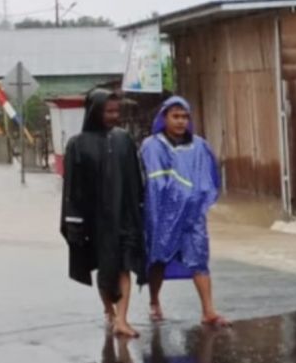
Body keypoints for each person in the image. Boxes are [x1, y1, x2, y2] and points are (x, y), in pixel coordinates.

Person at [61, 89, 147, 338]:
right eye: (108, 111)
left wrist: (139, 210)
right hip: (94, 220)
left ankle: (122, 318)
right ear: (94, 111)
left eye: (116, 111)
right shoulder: (77, 144)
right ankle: (109, 310)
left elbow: (134, 179)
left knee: (125, 265)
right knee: (103, 267)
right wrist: (73, 220)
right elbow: (72, 188)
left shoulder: (124, 140)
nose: (114, 115)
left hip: (124, 216)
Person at [141, 96, 226, 327]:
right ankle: (154, 301)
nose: (180, 121)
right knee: (158, 259)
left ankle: (208, 311)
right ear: (164, 118)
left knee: (199, 259)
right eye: (175, 116)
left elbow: (208, 179)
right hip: (163, 215)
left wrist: (197, 202)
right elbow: (154, 183)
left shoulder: (199, 146)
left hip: (191, 215)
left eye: (184, 116)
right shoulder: (152, 146)